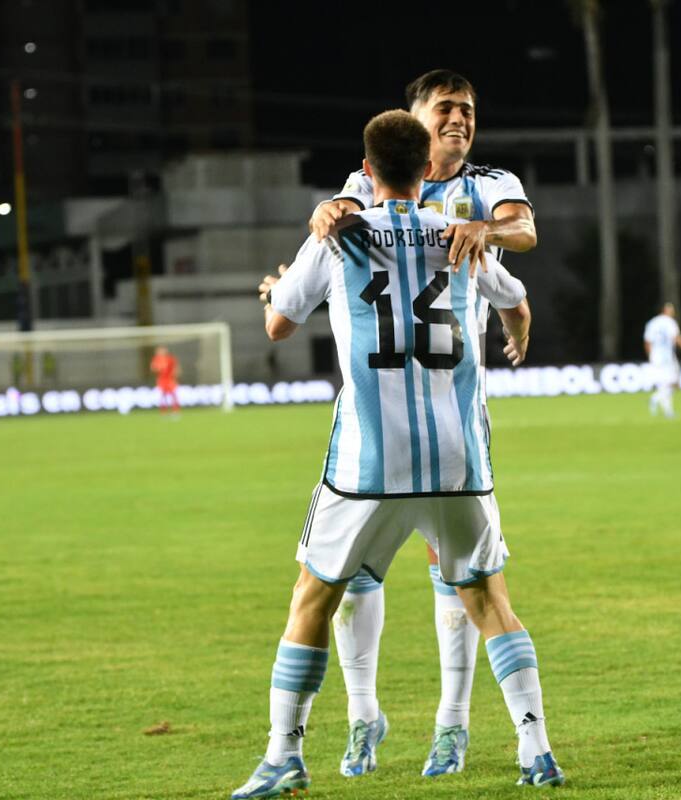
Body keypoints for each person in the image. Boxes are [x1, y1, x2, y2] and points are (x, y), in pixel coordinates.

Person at [230, 110, 563, 798]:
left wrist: (276, 290)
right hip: (457, 459)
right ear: (426, 168)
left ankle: (285, 755)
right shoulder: (458, 234)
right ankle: (536, 749)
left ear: (367, 169)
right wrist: (518, 333)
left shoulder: (338, 236)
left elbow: (278, 323)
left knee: (313, 598)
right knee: (488, 599)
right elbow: (517, 300)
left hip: (369, 465)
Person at [307, 69, 537, 779]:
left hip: (450, 406)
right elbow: (337, 213)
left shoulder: (489, 183)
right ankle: (362, 717)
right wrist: (323, 212)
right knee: (356, 577)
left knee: (454, 574)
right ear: (414, 121)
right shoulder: (371, 178)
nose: (460, 119)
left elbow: (524, 230)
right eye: (446, 109)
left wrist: (484, 229)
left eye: (468, 109)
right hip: (378, 409)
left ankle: (452, 726)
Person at [642, 302, 681, 418]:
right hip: (667, 357)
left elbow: (647, 342)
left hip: (655, 357)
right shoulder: (670, 322)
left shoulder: (652, 323)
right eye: (671, 310)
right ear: (665, 311)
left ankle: (659, 402)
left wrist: (650, 356)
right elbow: (677, 338)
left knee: (665, 384)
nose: (673, 312)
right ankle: (663, 406)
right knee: (674, 383)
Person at [150, 346, 180, 414]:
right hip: (162, 379)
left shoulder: (170, 358)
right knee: (163, 394)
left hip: (170, 379)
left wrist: (175, 374)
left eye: (162, 350)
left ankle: (175, 410)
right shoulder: (156, 359)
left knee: (173, 394)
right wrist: (157, 368)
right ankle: (163, 410)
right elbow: (153, 368)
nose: (161, 352)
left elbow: (176, 367)